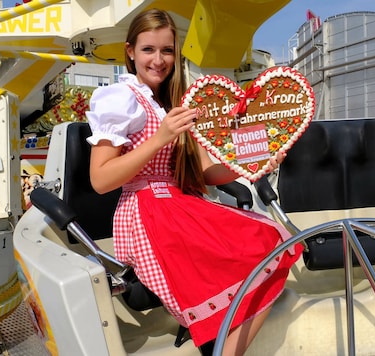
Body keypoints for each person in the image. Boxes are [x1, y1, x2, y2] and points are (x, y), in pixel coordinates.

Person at [85, 9, 302, 355]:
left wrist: (257, 162)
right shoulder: (120, 98)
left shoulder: (172, 103)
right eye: (148, 50)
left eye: (167, 51)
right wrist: (160, 137)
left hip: (180, 206)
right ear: (129, 51)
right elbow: (100, 179)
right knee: (264, 247)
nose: (158, 60)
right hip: (148, 216)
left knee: (275, 242)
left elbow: (204, 172)